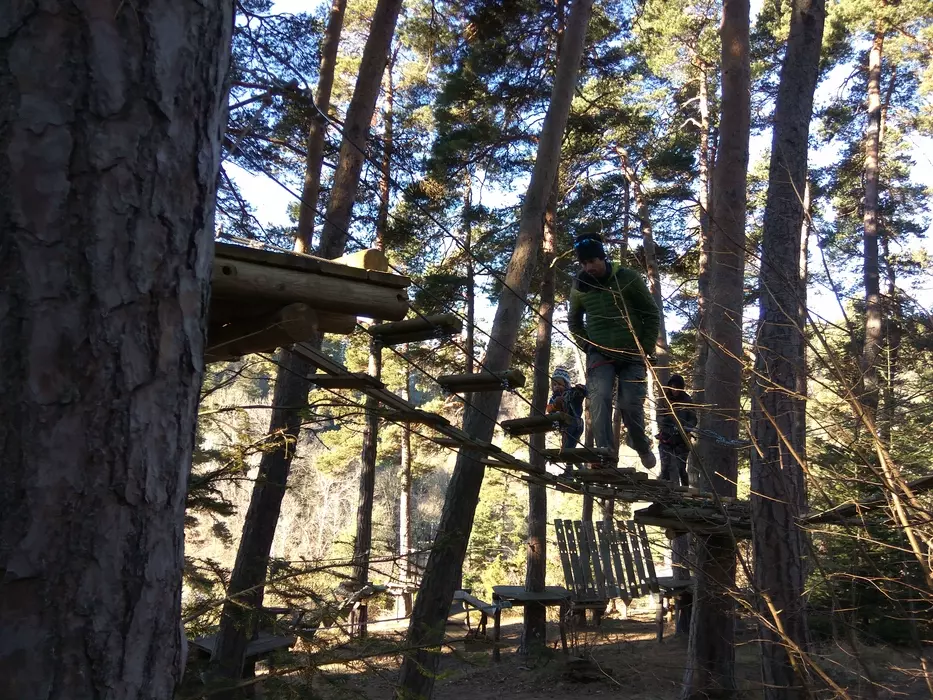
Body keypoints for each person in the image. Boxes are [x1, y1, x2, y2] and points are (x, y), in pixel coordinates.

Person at [568, 233, 660, 470]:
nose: (588, 267)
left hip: (632, 353)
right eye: (584, 263)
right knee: (599, 399)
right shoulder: (580, 288)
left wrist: (645, 348)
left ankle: (640, 445)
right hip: (599, 353)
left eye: (592, 262)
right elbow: (574, 323)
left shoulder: (627, 278)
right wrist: (587, 346)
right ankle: (604, 454)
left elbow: (650, 314)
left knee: (630, 405)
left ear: (603, 258)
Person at [657, 374, 697, 487]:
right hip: (666, 438)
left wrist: (684, 427)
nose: (674, 390)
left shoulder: (687, 400)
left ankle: (685, 493)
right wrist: (668, 426)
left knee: (681, 468)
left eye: (677, 387)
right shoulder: (664, 400)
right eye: (672, 387)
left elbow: (693, 419)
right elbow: (659, 417)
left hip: (682, 439)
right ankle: (665, 491)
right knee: (665, 467)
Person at [546, 367, 585, 448]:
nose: (556, 387)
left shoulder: (570, 394)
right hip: (563, 423)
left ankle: (568, 451)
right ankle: (567, 451)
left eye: (559, 384)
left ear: (566, 385)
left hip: (576, 422)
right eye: (554, 385)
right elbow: (549, 409)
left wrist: (581, 389)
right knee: (567, 443)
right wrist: (555, 406)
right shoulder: (553, 398)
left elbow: (579, 396)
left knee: (572, 440)